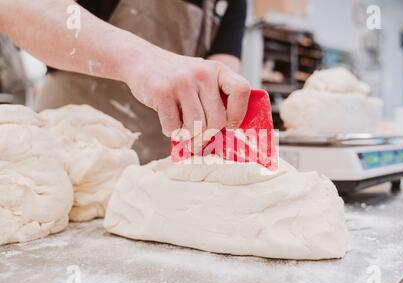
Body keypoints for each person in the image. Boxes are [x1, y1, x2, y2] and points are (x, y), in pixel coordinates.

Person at [0, 0, 251, 163]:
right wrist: (140, 60)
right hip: (69, 152)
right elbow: (14, 7)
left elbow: (220, 76)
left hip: (163, 164)